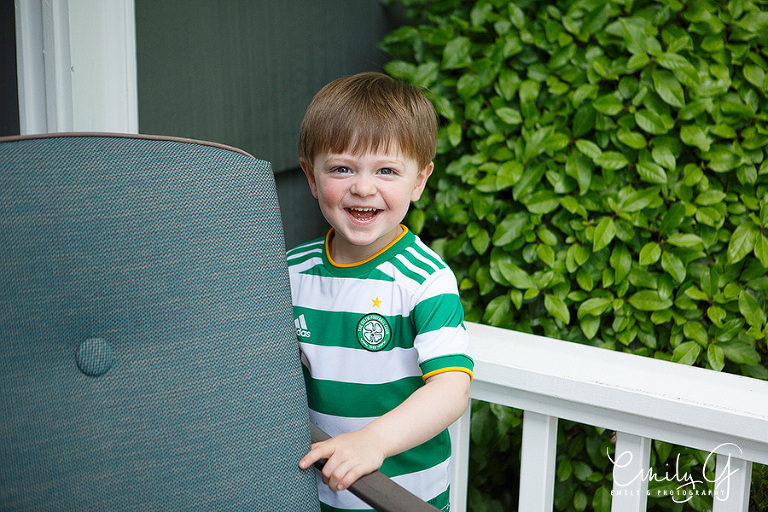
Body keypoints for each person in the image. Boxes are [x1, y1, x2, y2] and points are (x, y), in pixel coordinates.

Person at [288, 72, 473, 512]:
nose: (363, 187)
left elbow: (451, 388)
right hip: (313, 493)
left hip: (401, 497)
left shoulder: (424, 280)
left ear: (419, 181)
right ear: (311, 177)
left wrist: (372, 441)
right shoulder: (289, 272)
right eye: (342, 168)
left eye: (386, 170)